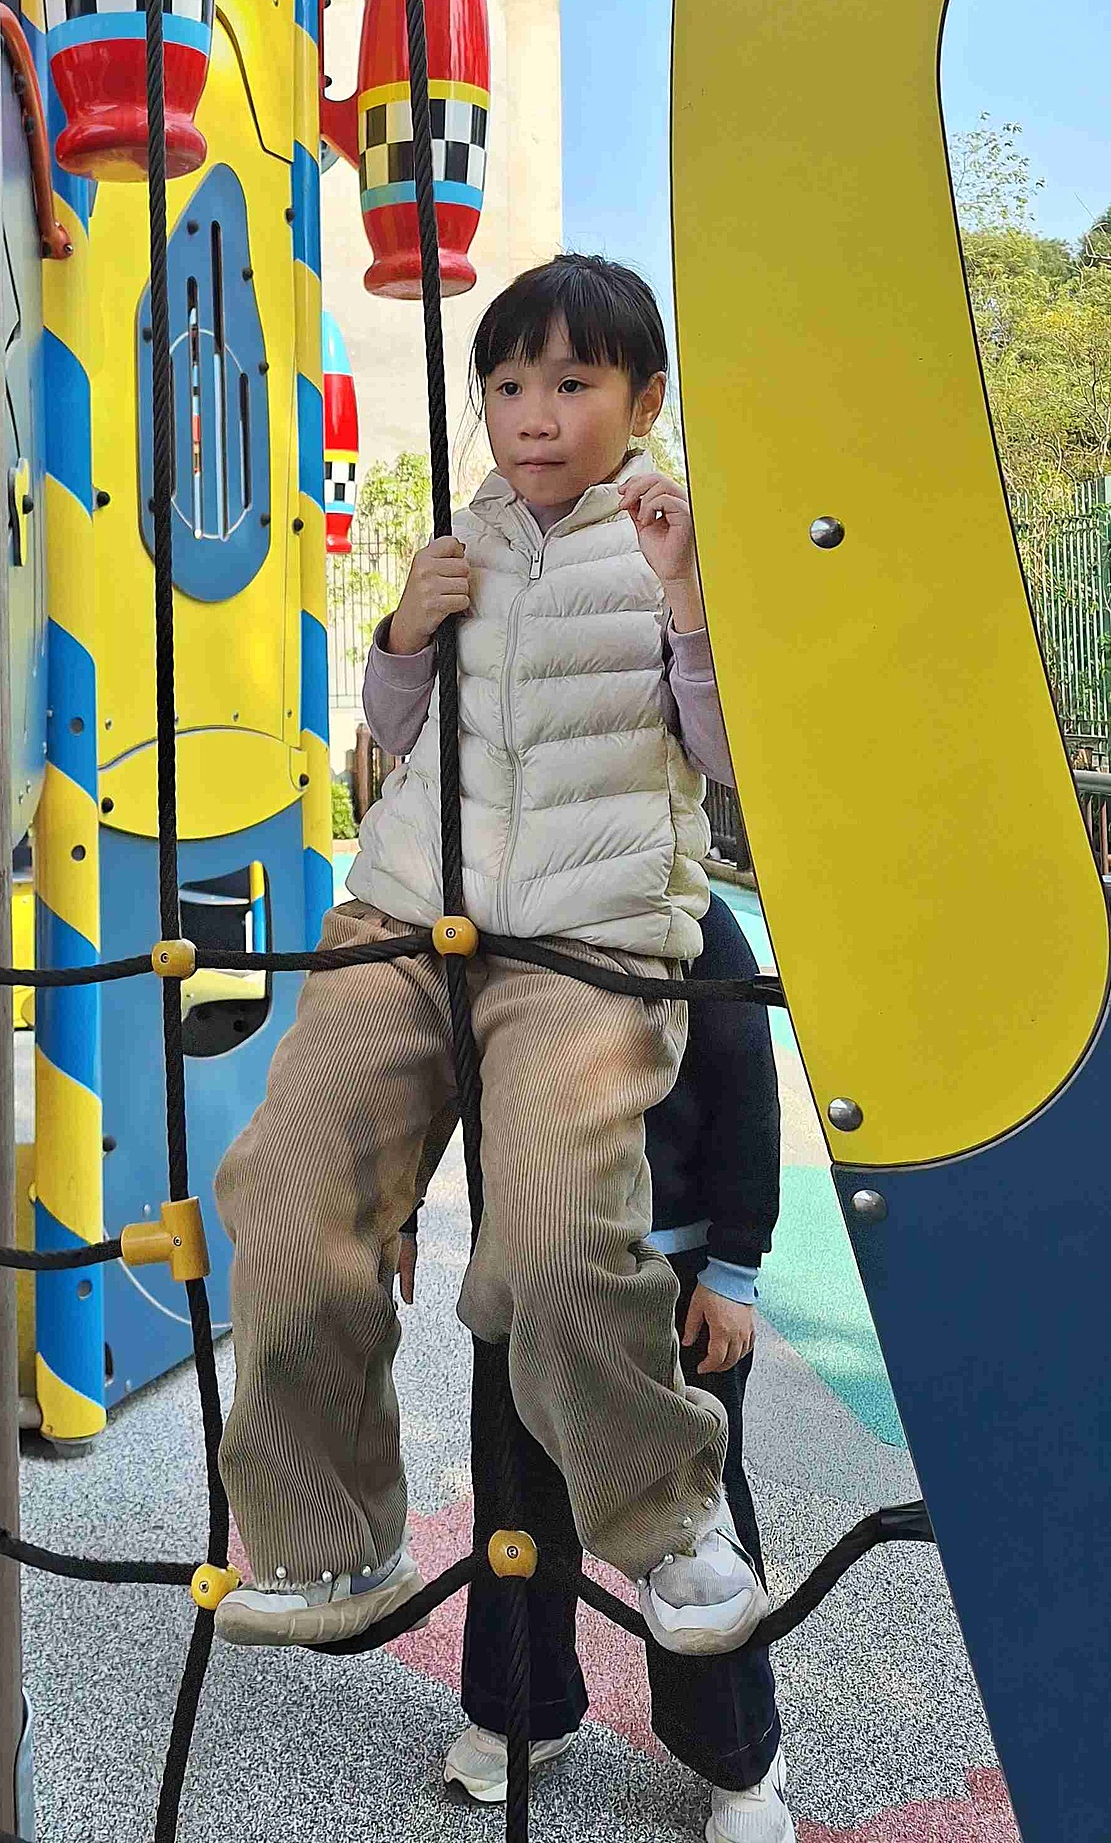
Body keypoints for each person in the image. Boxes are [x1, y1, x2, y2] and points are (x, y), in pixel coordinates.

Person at [213, 253, 766, 1669]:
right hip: (409, 919)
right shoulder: (462, 540)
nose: (534, 413)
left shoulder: (674, 547)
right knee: (285, 1195)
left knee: (557, 1230)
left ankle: (671, 1519)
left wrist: (688, 599)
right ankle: (331, 1539)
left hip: (585, 944)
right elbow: (394, 737)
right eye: (508, 383)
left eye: (573, 382)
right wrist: (405, 627)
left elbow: (725, 759)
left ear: (645, 398)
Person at [440, 887, 789, 1840]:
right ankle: (524, 1709)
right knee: (517, 1497)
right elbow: (436, 1073)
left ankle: (739, 1752)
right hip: (527, 1261)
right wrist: (392, 1211)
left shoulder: (691, 915)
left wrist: (735, 1267)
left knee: (692, 1504)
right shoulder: (504, 908)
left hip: (669, 1269)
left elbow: (747, 1092)